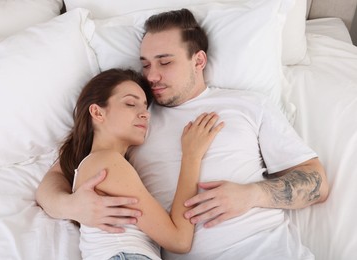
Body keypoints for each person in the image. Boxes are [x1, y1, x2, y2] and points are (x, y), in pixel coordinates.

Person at [36, 9, 329, 259]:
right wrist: (71, 206)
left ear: (198, 61)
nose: (151, 76)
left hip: (268, 249)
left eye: (165, 62)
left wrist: (251, 194)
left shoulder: (248, 105)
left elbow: (316, 181)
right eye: (146, 64)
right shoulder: (135, 120)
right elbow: (59, 175)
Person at [52, 68, 224, 260]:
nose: (145, 114)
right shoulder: (106, 163)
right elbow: (179, 240)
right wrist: (191, 157)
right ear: (97, 112)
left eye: (144, 107)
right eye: (130, 103)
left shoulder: (99, 164)